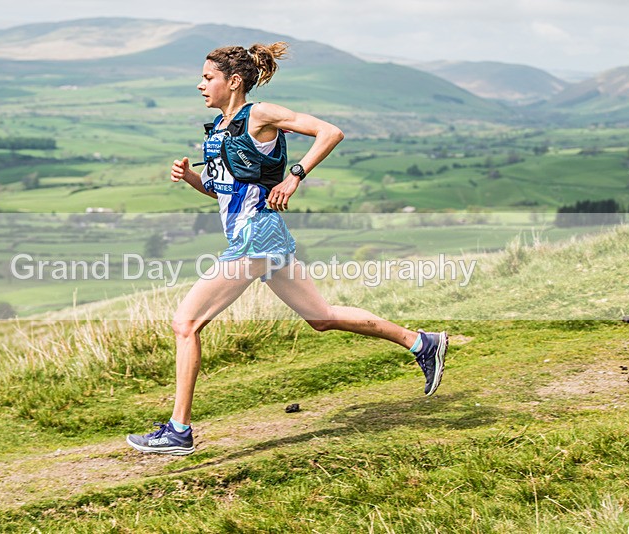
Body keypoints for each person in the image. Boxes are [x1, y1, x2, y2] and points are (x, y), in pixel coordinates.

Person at [126, 42, 448, 456]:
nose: (200, 85)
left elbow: (330, 132)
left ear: (233, 81)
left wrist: (295, 176)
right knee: (322, 317)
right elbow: (224, 190)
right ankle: (422, 343)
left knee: (185, 324)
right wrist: (191, 178)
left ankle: (179, 431)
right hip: (263, 236)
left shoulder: (259, 114)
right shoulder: (220, 128)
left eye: (207, 78)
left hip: (255, 238)